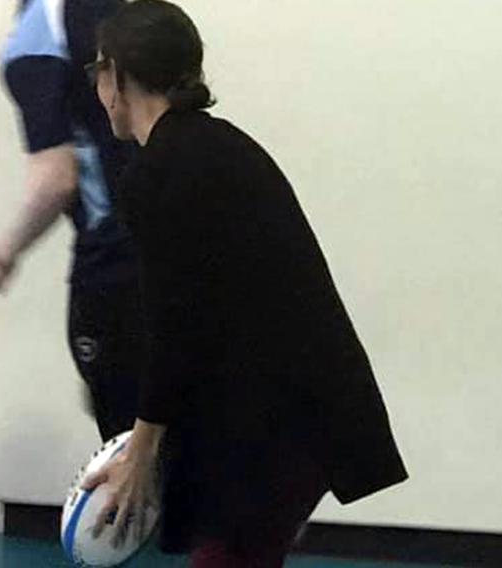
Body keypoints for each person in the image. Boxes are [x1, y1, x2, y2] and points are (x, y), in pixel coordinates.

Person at [81, 3, 409, 566]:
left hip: (279, 425)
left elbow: (173, 322)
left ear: (117, 75)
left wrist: (143, 448)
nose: (96, 87)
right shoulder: (218, 145)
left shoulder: (161, 169)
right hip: (293, 416)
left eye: (96, 72)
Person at [0, 0, 143, 441]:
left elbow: (56, 179)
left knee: (127, 443)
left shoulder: (38, 36)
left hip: (114, 257)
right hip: (170, 239)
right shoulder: (123, 14)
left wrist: (3, 252)